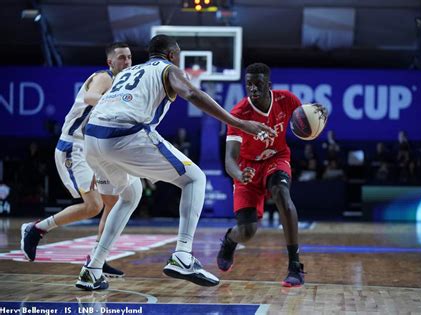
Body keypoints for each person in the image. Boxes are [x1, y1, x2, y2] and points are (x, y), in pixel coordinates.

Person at [76, 35, 275, 291]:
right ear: (171, 55)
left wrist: (98, 154)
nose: (180, 60)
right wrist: (238, 123)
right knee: (195, 178)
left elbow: (101, 108)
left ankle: (92, 268)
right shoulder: (169, 69)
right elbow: (191, 92)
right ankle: (182, 254)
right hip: (123, 134)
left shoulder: (130, 71)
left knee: (130, 194)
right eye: (178, 55)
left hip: (91, 138)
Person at [20, 42, 132, 278]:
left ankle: (97, 258)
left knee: (113, 203)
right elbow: (92, 96)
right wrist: (112, 103)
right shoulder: (104, 77)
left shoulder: (124, 86)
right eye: (121, 58)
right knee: (94, 206)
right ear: (110, 62)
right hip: (76, 146)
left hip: (97, 148)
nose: (126, 62)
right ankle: (37, 229)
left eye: (129, 58)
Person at [216, 63, 327, 287]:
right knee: (248, 232)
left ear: (269, 85)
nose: (253, 88)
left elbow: (309, 114)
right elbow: (229, 160)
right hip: (247, 167)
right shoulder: (239, 114)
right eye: (248, 84)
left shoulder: (287, 100)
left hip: (277, 158)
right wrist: (240, 174)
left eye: (258, 84)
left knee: (282, 195)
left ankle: (295, 265)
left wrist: (320, 112)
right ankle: (230, 240)